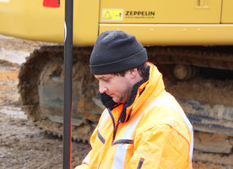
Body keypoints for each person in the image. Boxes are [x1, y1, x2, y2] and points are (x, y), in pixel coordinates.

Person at [75, 30, 194, 169]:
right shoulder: (115, 108)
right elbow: (95, 160)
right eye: (98, 81)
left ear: (132, 71)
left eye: (106, 80)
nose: (101, 89)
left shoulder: (162, 127)